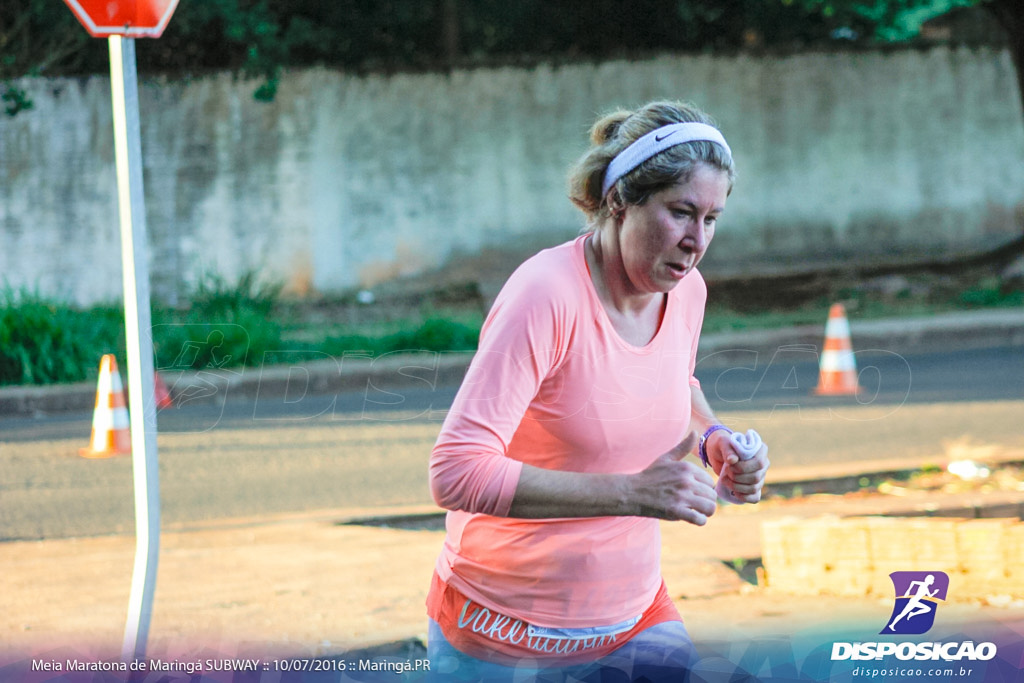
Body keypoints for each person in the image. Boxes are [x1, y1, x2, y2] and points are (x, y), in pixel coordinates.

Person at [425, 100, 771, 681]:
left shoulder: (685, 291)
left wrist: (715, 441)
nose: (696, 241)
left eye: (712, 219)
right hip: (505, 628)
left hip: (633, 617)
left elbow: (674, 384)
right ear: (618, 202)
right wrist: (632, 493)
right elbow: (456, 472)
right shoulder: (546, 295)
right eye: (681, 212)